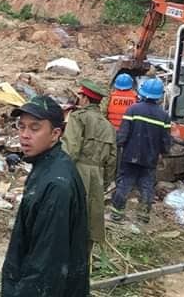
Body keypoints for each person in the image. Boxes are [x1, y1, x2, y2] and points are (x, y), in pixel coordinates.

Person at [2, 95, 89, 297]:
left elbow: (46, 265)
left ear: (55, 134)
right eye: (21, 126)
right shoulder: (44, 165)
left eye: (35, 128)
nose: (24, 135)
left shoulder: (56, 185)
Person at [62, 79, 117, 253]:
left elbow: (70, 149)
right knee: (92, 221)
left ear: (85, 99)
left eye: (81, 96)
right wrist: (105, 182)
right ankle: (84, 259)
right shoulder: (109, 126)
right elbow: (112, 159)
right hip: (98, 177)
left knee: (71, 217)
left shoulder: (78, 117)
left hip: (78, 172)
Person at [111, 78, 171, 223]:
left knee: (124, 183)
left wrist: (117, 146)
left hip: (130, 156)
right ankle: (143, 216)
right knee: (147, 185)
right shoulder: (164, 116)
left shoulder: (133, 109)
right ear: (159, 96)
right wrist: (164, 153)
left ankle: (117, 214)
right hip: (150, 159)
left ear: (143, 93)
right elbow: (165, 141)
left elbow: (123, 134)